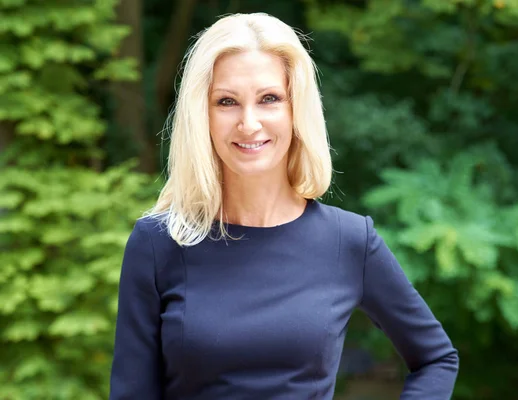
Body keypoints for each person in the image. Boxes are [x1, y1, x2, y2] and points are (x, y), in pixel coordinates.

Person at [109, 12, 459, 400]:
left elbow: (436, 359)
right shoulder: (157, 244)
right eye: (226, 102)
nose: (249, 123)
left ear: (296, 111)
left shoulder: (349, 240)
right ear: (201, 115)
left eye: (269, 99)